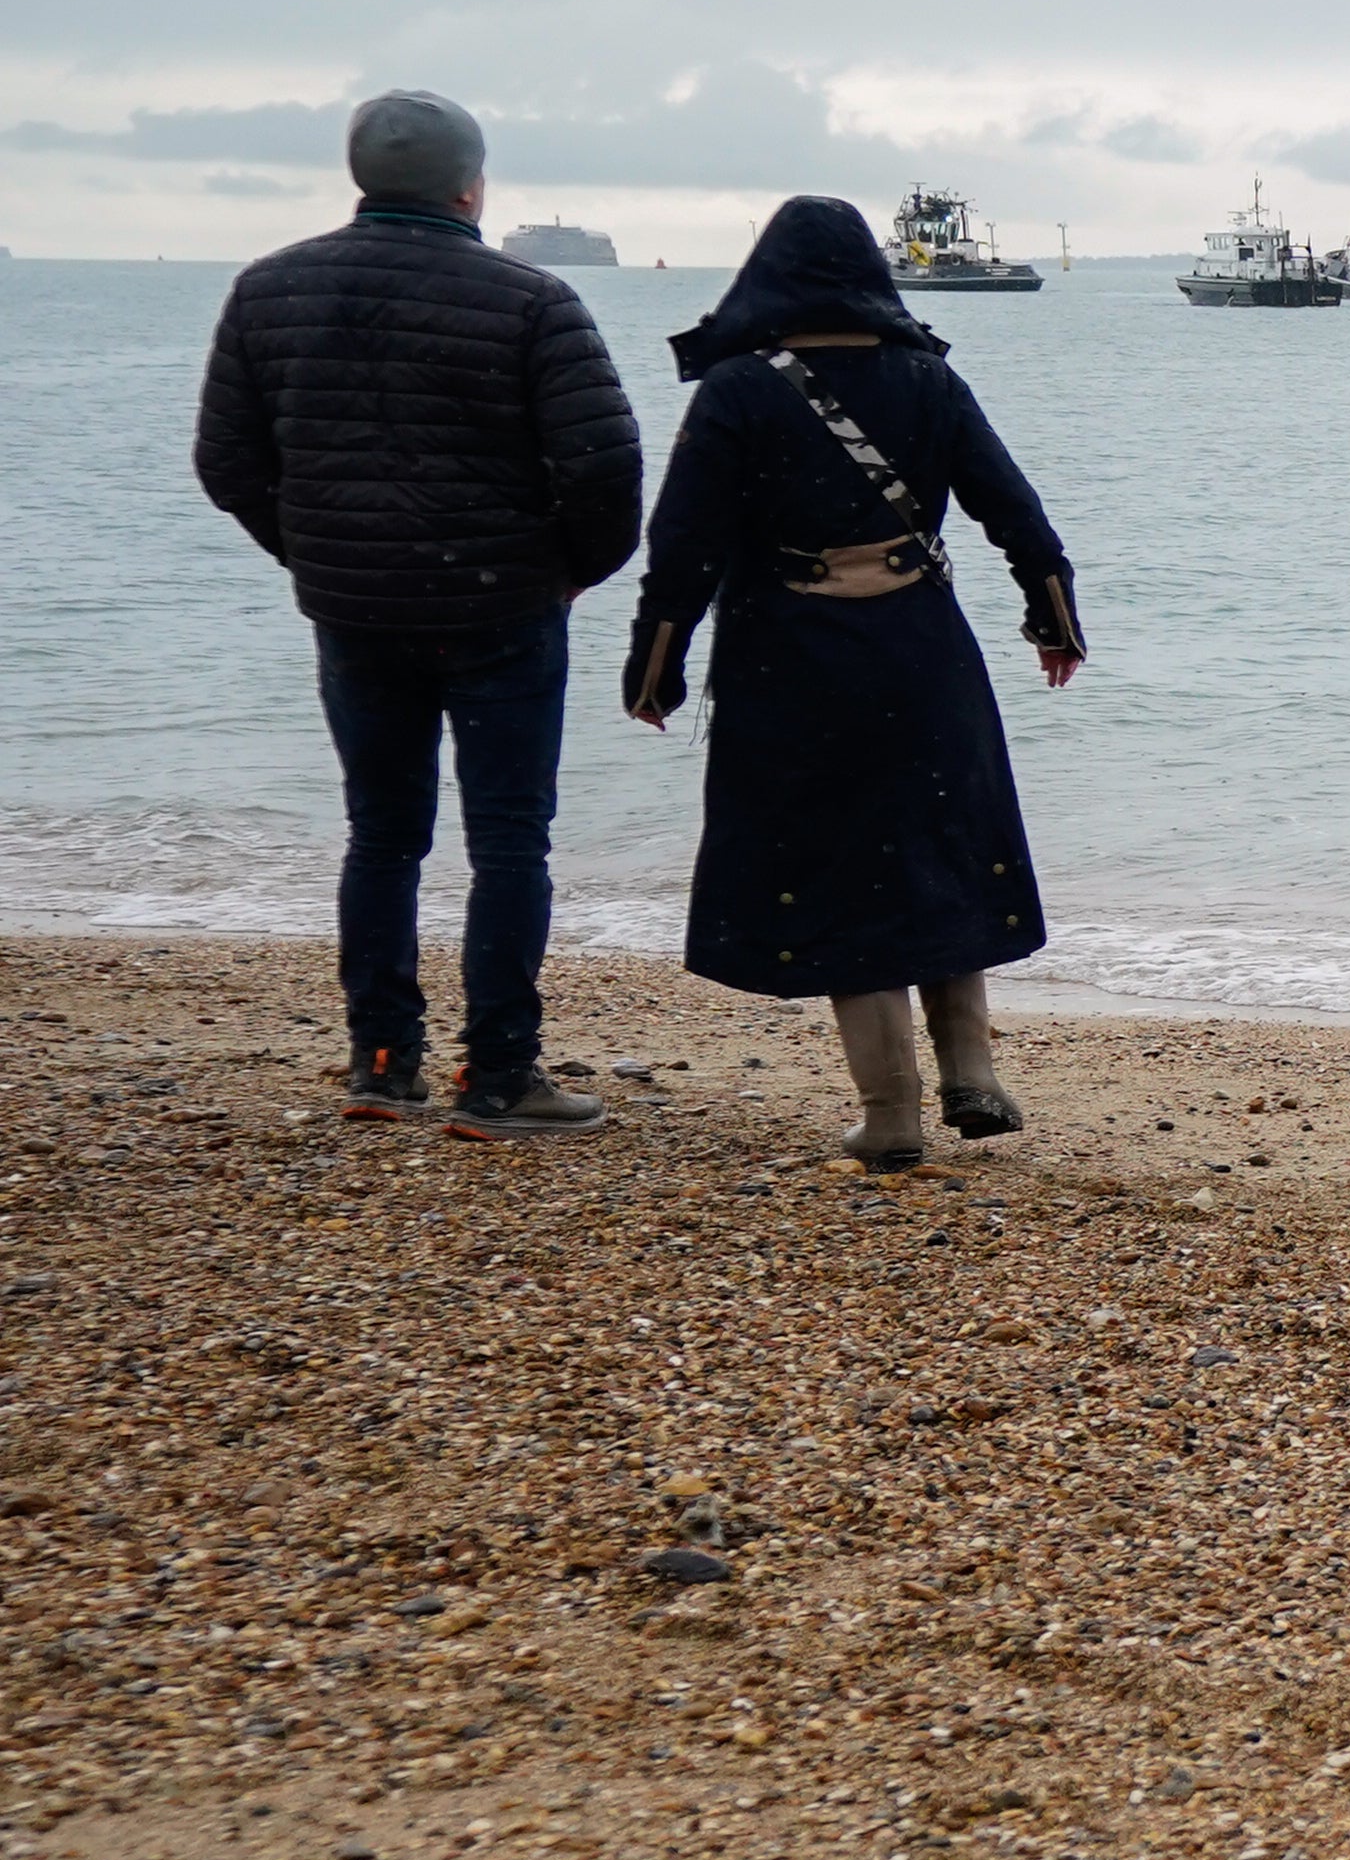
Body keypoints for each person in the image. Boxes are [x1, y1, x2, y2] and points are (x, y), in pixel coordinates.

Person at [192, 88, 646, 1134]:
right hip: (502, 608)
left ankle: (385, 1059)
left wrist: (315, 551)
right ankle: (498, 1075)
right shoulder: (532, 301)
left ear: (361, 176)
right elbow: (604, 464)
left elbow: (227, 463)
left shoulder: (268, 290)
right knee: (509, 842)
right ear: (470, 187)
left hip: (356, 610)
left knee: (383, 835)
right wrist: (573, 570)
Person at [620, 194, 1087, 1168]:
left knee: (844, 872)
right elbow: (1014, 509)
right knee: (941, 845)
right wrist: (1055, 620)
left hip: (796, 661)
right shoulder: (929, 377)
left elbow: (683, 548)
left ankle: (891, 1116)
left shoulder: (738, 390)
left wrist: (655, 671)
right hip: (926, 652)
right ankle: (972, 1074)